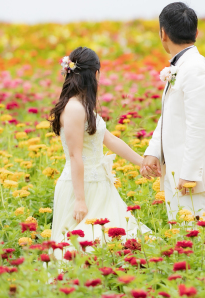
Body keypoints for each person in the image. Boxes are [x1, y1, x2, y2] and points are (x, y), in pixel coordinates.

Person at [49, 47, 148, 250]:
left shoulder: (83, 105)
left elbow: (110, 139)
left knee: (113, 243)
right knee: (82, 248)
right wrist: (79, 200)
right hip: (81, 188)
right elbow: (76, 156)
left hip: (100, 185)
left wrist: (142, 162)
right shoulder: (74, 108)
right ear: (95, 74)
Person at [140, 2, 205, 221]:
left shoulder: (195, 68)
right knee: (180, 237)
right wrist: (154, 151)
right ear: (196, 32)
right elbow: (169, 116)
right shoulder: (182, 66)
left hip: (191, 177)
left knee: (193, 240)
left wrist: (189, 175)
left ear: (163, 33)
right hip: (175, 170)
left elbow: (198, 126)